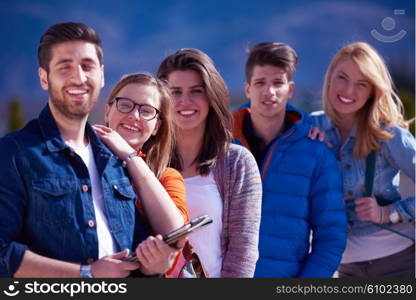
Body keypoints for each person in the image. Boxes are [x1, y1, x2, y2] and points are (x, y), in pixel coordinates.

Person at [0, 22, 179, 278]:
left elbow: (137, 244)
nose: (79, 77)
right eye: (65, 67)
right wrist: (86, 273)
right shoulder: (14, 153)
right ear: (43, 78)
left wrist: (154, 267)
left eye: (87, 66)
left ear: (102, 75)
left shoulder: (113, 160)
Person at [232, 42, 347, 278]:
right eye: (260, 83)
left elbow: (331, 236)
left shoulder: (316, 153)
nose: (269, 92)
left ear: (290, 89)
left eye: (278, 83)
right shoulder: (221, 145)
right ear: (247, 89)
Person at [309, 42, 415, 278]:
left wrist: (388, 213)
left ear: (372, 91)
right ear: (329, 79)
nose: (348, 90)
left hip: (397, 263)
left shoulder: (389, 134)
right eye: (342, 78)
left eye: (361, 84)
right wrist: (305, 149)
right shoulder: (311, 128)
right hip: (344, 267)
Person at [157, 48, 262, 277]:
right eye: (175, 92)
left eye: (196, 91)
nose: (185, 101)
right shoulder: (146, 164)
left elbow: (242, 252)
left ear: (211, 96)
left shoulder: (237, 162)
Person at [93, 72, 188, 236]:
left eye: (146, 111)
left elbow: (175, 233)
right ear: (107, 112)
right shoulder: (79, 158)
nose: (134, 116)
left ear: (157, 127)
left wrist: (130, 156)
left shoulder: (166, 177)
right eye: (124, 105)